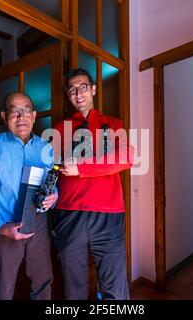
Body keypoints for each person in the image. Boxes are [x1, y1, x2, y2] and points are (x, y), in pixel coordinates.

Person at [52, 68, 133, 300]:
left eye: (83, 87)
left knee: (114, 286)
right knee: (72, 285)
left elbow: (126, 157)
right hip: (68, 213)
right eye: (72, 90)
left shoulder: (113, 123)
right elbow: (52, 170)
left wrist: (81, 168)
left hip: (108, 213)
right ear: (68, 95)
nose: (78, 94)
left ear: (94, 89)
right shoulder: (59, 128)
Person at [0, 92, 57, 300]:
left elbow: (52, 183)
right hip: (4, 224)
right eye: (14, 111)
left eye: (26, 110)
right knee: (2, 288)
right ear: (4, 115)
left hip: (38, 222)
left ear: (34, 115)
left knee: (43, 281)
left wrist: (54, 195)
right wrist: (0, 226)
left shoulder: (46, 148)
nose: (21, 116)